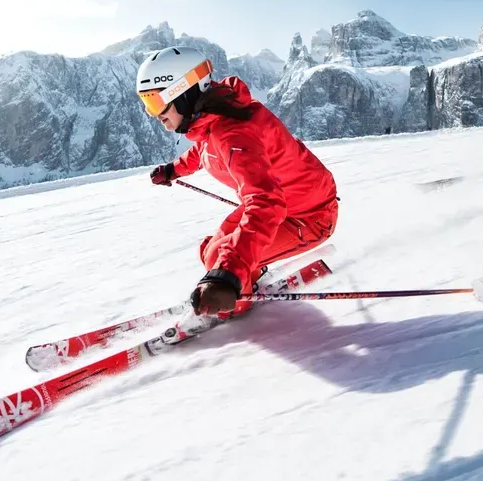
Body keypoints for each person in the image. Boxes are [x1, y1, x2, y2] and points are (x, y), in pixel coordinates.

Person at [135, 45, 338, 317]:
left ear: (182, 93)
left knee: (220, 258)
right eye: (147, 104)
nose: (155, 114)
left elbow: (267, 202)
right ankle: (241, 281)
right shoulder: (213, 119)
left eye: (156, 102)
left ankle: (236, 301)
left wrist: (226, 276)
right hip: (285, 204)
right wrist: (174, 170)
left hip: (308, 215)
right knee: (211, 251)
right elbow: (204, 150)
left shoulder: (234, 134)